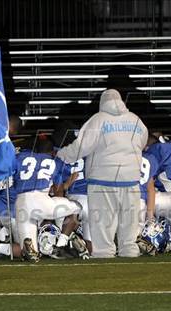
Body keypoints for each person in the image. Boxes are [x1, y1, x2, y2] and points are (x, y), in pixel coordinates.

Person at [56, 89, 148, 258]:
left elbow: (82, 146)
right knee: (129, 221)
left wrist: (63, 155)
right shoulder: (136, 120)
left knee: (103, 221)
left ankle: (104, 253)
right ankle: (129, 250)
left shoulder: (98, 120)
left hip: (103, 179)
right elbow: (142, 142)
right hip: (131, 179)